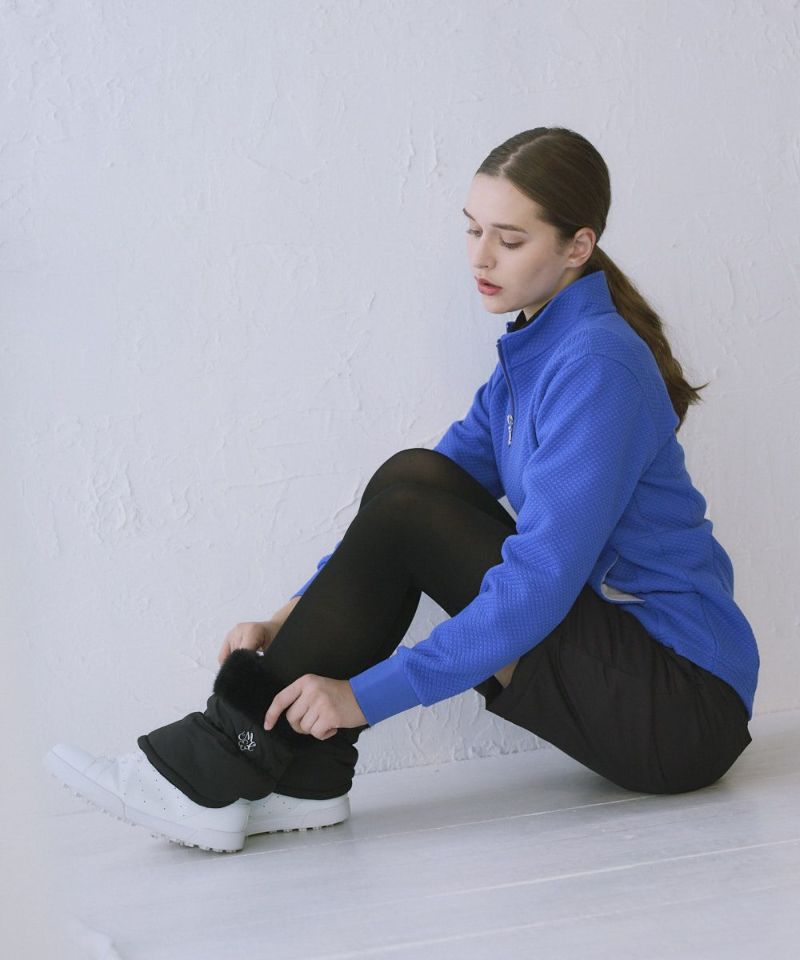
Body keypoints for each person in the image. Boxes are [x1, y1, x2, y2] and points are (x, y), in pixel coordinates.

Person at [44, 126, 759, 854]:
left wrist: (363, 699)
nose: (481, 257)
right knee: (410, 476)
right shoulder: (536, 350)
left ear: (578, 246)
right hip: (629, 677)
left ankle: (218, 758)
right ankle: (306, 775)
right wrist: (284, 620)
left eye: (510, 240)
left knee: (414, 509)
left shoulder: (597, 363)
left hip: (682, 708)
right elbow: (403, 500)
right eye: (473, 230)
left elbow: (539, 582)